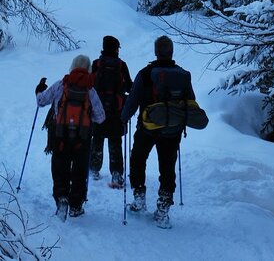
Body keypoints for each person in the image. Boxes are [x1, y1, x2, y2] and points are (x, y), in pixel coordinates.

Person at [121, 35, 197, 228]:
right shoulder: (183, 74)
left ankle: (139, 200)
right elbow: (191, 99)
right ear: (171, 52)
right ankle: (163, 210)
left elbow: (133, 101)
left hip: (147, 128)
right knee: (167, 167)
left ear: (156, 52)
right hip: (173, 130)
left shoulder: (146, 74)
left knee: (137, 159)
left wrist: (123, 118)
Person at [35, 55, 105, 220]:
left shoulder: (60, 85)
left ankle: (62, 198)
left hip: (60, 134)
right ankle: (76, 205)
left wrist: (39, 89)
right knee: (80, 170)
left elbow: (41, 101)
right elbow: (100, 117)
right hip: (82, 137)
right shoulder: (90, 90)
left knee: (60, 166)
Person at [90, 36, 132, 188]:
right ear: (116, 49)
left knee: (97, 139)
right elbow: (129, 87)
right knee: (115, 142)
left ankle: (94, 169)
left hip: (97, 111)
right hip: (116, 111)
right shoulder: (121, 65)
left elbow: (89, 85)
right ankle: (116, 173)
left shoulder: (96, 64)